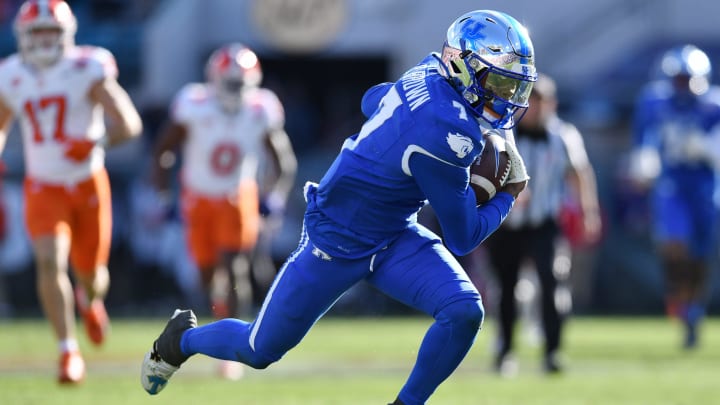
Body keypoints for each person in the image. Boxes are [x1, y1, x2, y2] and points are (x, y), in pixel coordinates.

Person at [141, 9, 536, 404]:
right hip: (336, 239)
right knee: (258, 349)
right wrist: (507, 194)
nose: (508, 97)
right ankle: (181, 342)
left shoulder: (430, 72)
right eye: (500, 82)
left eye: (515, 86)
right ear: (463, 67)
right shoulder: (449, 132)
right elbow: (463, 235)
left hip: (393, 231)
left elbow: (371, 99)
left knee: (464, 310)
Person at [0, 0, 142, 384]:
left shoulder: (87, 68)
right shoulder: (10, 74)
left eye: (51, 32)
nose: (45, 40)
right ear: (24, 37)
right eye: (38, 32)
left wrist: (94, 141)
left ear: (66, 34)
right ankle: (68, 352)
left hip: (86, 182)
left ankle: (90, 301)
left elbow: (128, 123)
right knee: (49, 262)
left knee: (92, 274)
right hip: (43, 186)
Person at [150, 43, 297, 379]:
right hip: (198, 197)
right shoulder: (194, 104)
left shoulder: (261, 109)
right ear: (214, 79)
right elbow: (163, 150)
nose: (235, 90)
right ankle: (218, 324)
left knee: (235, 268)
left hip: (237, 195)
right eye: (230, 83)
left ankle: (233, 348)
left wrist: (274, 196)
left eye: (240, 83)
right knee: (205, 275)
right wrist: (163, 196)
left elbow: (283, 161)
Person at [484, 73, 601, 375]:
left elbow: (579, 173)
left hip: (544, 222)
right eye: (529, 103)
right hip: (505, 223)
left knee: (552, 283)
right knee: (505, 288)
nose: (534, 110)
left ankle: (552, 352)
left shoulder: (564, 135)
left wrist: (589, 211)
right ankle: (505, 351)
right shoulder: (503, 131)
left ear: (552, 104)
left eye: (540, 103)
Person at [628, 44, 720, 349]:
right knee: (674, 244)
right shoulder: (654, 100)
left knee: (700, 257)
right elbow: (644, 138)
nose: (681, 84)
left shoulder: (713, 105)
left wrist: (706, 147)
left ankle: (693, 312)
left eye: (686, 78)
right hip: (672, 185)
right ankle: (677, 296)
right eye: (677, 78)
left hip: (705, 187)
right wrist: (643, 160)